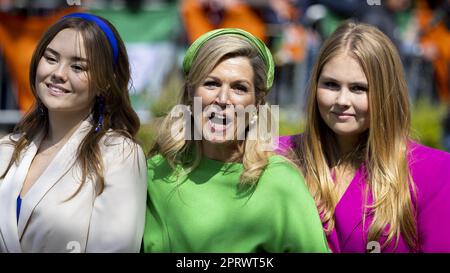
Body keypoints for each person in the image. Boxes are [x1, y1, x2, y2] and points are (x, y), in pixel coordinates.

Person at [143, 28, 329, 253]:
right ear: (190, 94)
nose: (223, 99)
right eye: (211, 83)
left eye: (239, 88)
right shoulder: (155, 173)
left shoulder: (280, 182)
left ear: (257, 104)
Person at [278, 21, 450, 253]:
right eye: (331, 85)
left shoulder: (435, 171)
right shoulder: (280, 156)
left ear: (386, 92)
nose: (342, 100)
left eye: (359, 88)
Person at [0, 13, 147, 253]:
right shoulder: (6, 149)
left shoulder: (118, 154)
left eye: (78, 66)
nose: (59, 73)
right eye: (51, 58)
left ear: (105, 83)